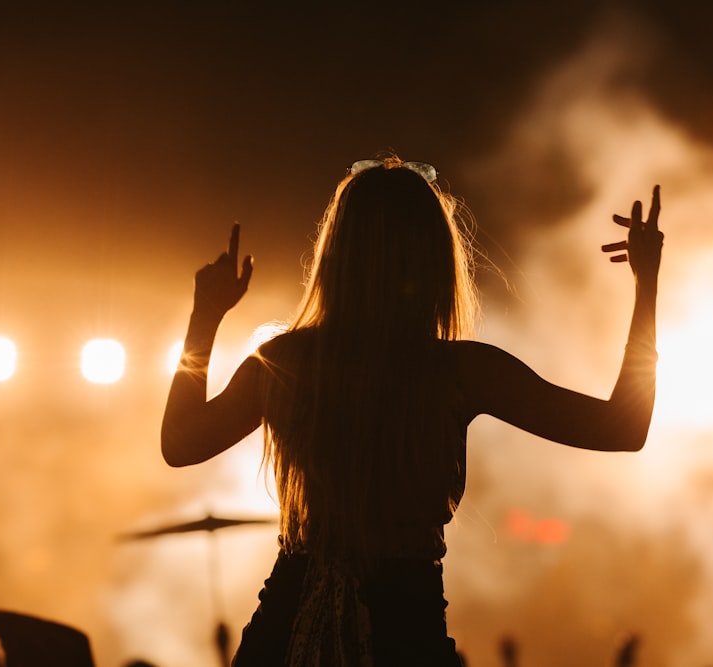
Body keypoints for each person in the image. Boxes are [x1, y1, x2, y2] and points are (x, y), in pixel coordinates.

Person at [161, 156, 663, 666]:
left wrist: (205, 316)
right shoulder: (460, 371)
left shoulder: (282, 364)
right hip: (404, 633)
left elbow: (180, 445)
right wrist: (647, 286)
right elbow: (621, 427)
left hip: (286, 631)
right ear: (432, 260)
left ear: (336, 255)